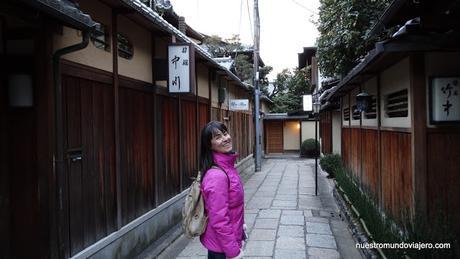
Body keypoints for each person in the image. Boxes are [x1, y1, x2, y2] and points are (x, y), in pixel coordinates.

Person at [199, 121, 245, 259]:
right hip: (222, 249)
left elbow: (234, 207)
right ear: (210, 145)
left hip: (228, 240)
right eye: (218, 137)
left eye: (225, 133)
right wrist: (234, 252)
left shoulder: (227, 167)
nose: (225, 138)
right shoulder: (217, 175)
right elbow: (219, 219)